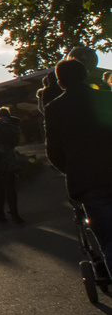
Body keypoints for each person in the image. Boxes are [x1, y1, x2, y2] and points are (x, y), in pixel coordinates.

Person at [45, 57, 112, 255]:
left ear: (60, 83)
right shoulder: (108, 98)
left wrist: (72, 168)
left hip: (87, 180)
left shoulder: (54, 109)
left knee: (108, 239)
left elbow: (53, 151)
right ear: (86, 75)